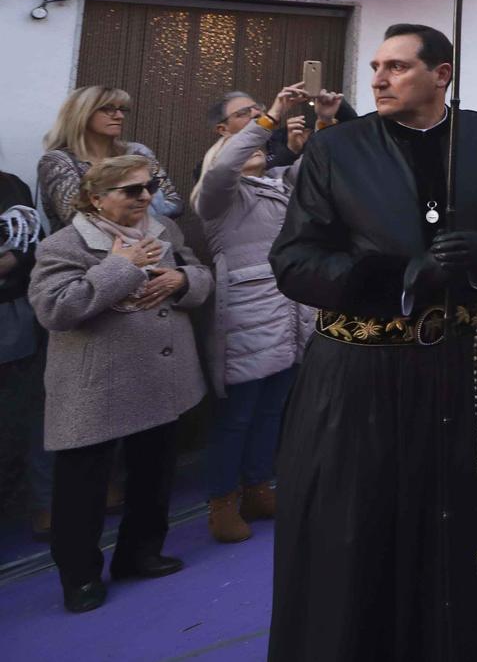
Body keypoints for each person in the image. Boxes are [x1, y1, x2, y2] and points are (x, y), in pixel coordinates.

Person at [268, 24, 477, 662]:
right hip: (356, 379)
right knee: (357, 531)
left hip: (460, 368)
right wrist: (396, 278)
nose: (377, 78)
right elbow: (293, 262)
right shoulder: (335, 150)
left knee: (459, 525)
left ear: (442, 74)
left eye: (396, 66)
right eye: (376, 66)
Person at [29, 154, 212, 613]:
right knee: (82, 489)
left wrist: (181, 278)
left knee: (154, 474)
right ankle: (80, 578)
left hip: (161, 374)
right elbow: (56, 310)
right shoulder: (64, 245)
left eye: (148, 186)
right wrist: (122, 266)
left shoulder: (164, 230)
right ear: (96, 198)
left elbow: (201, 276)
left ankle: (140, 554)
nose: (146, 197)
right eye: (132, 191)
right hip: (97, 385)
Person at [192, 85, 319, 544]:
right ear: (222, 132)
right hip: (248, 317)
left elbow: (314, 173)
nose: (260, 123)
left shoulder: (275, 184)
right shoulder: (217, 194)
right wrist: (270, 116)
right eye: (244, 116)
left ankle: (257, 487)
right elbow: (224, 166)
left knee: (271, 411)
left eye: (259, 116)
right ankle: (222, 501)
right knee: (238, 417)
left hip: (288, 313)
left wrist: (323, 123)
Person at [38, 86, 183, 230]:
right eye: (108, 108)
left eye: (122, 109)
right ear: (82, 114)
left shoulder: (138, 153)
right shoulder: (58, 162)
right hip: (85, 250)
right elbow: (77, 218)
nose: (119, 116)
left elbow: (174, 203)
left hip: (151, 244)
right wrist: (144, 210)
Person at [0, 163, 53, 543]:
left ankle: (45, 502)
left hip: (14, 315)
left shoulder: (9, 185)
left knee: (31, 411)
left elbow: (30, 247)